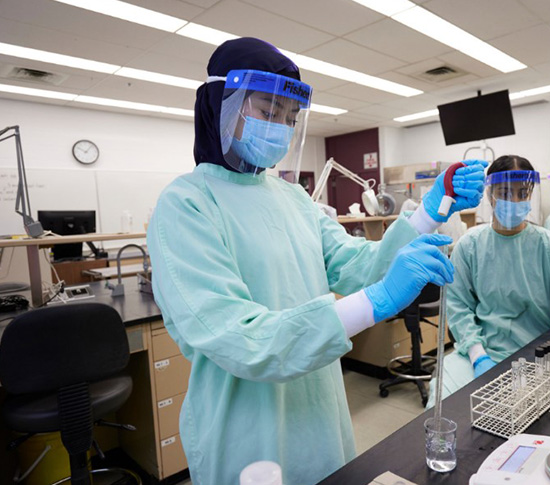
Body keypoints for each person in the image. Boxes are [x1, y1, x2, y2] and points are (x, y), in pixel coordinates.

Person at [146, 38, 487, 485]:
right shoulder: (186, 205)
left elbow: (360, 264)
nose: (282, 129)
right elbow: (243, 339)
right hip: (247, 428)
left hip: (320, 412)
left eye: (290, 118)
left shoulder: (293, 198)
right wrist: (377, 300)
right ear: (221, 104)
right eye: (269, 111)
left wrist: (428, 209)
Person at [428, 155, 550, 405]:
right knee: (442, 405)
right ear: (490, 194)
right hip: (480, 352)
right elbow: (458, 307)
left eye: (522, 193)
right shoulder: (470, 246)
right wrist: (478, 355)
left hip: (538, 355)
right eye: (505, 193)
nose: (514, 201)